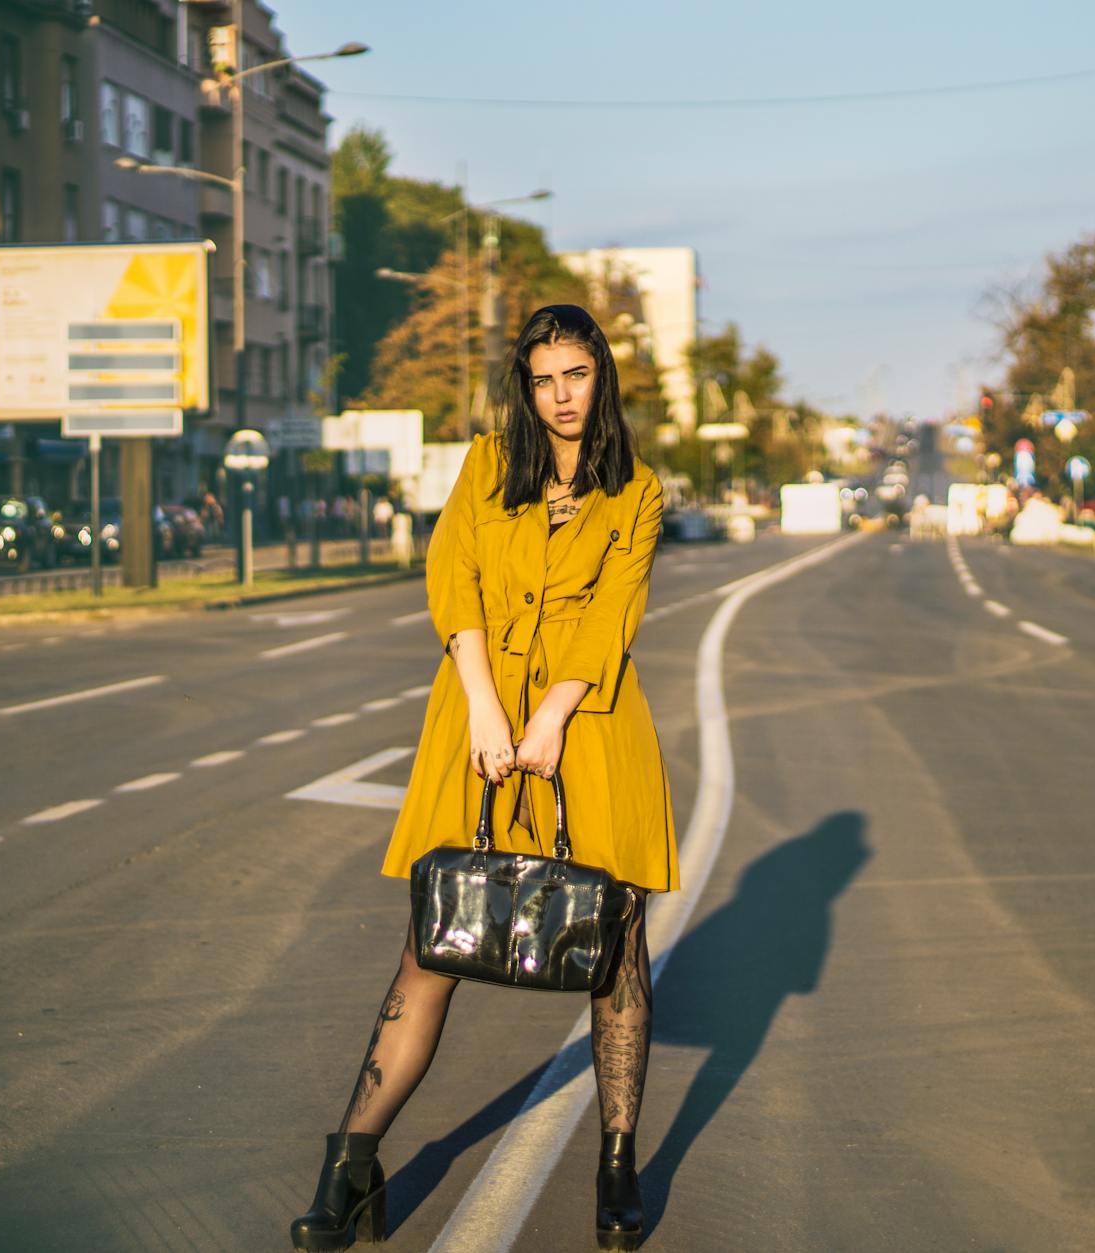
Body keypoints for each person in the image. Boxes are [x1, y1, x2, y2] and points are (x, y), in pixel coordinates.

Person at [291, 305, 674, 1253]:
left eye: (576, 375)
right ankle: (350, 1169)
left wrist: (549, 715)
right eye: (544, 379)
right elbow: (450, 576)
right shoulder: (485, 463)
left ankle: (616, 1167)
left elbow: (611, 615)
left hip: (590, 723)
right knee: (434, 944)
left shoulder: (639, 490)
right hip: (477, 716)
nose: (561, 396)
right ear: (525, 385)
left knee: (614, 944)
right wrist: (487, 707)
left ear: (602, 376)